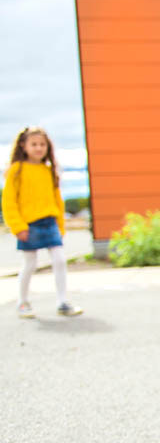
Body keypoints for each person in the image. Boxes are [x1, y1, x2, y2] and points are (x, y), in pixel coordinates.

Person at [2, 126, 82, 319]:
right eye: (34, 144)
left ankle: (63, 302)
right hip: (29, 225)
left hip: (50, 223)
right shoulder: (17, 170)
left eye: (42, 144)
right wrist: (17, 226)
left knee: (60, 260)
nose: (38, 148)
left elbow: (57, 201)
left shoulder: (49, 171)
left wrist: (60, 226)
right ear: (24, 146)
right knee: (30, 264)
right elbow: (9, 201)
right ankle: (23, 302)